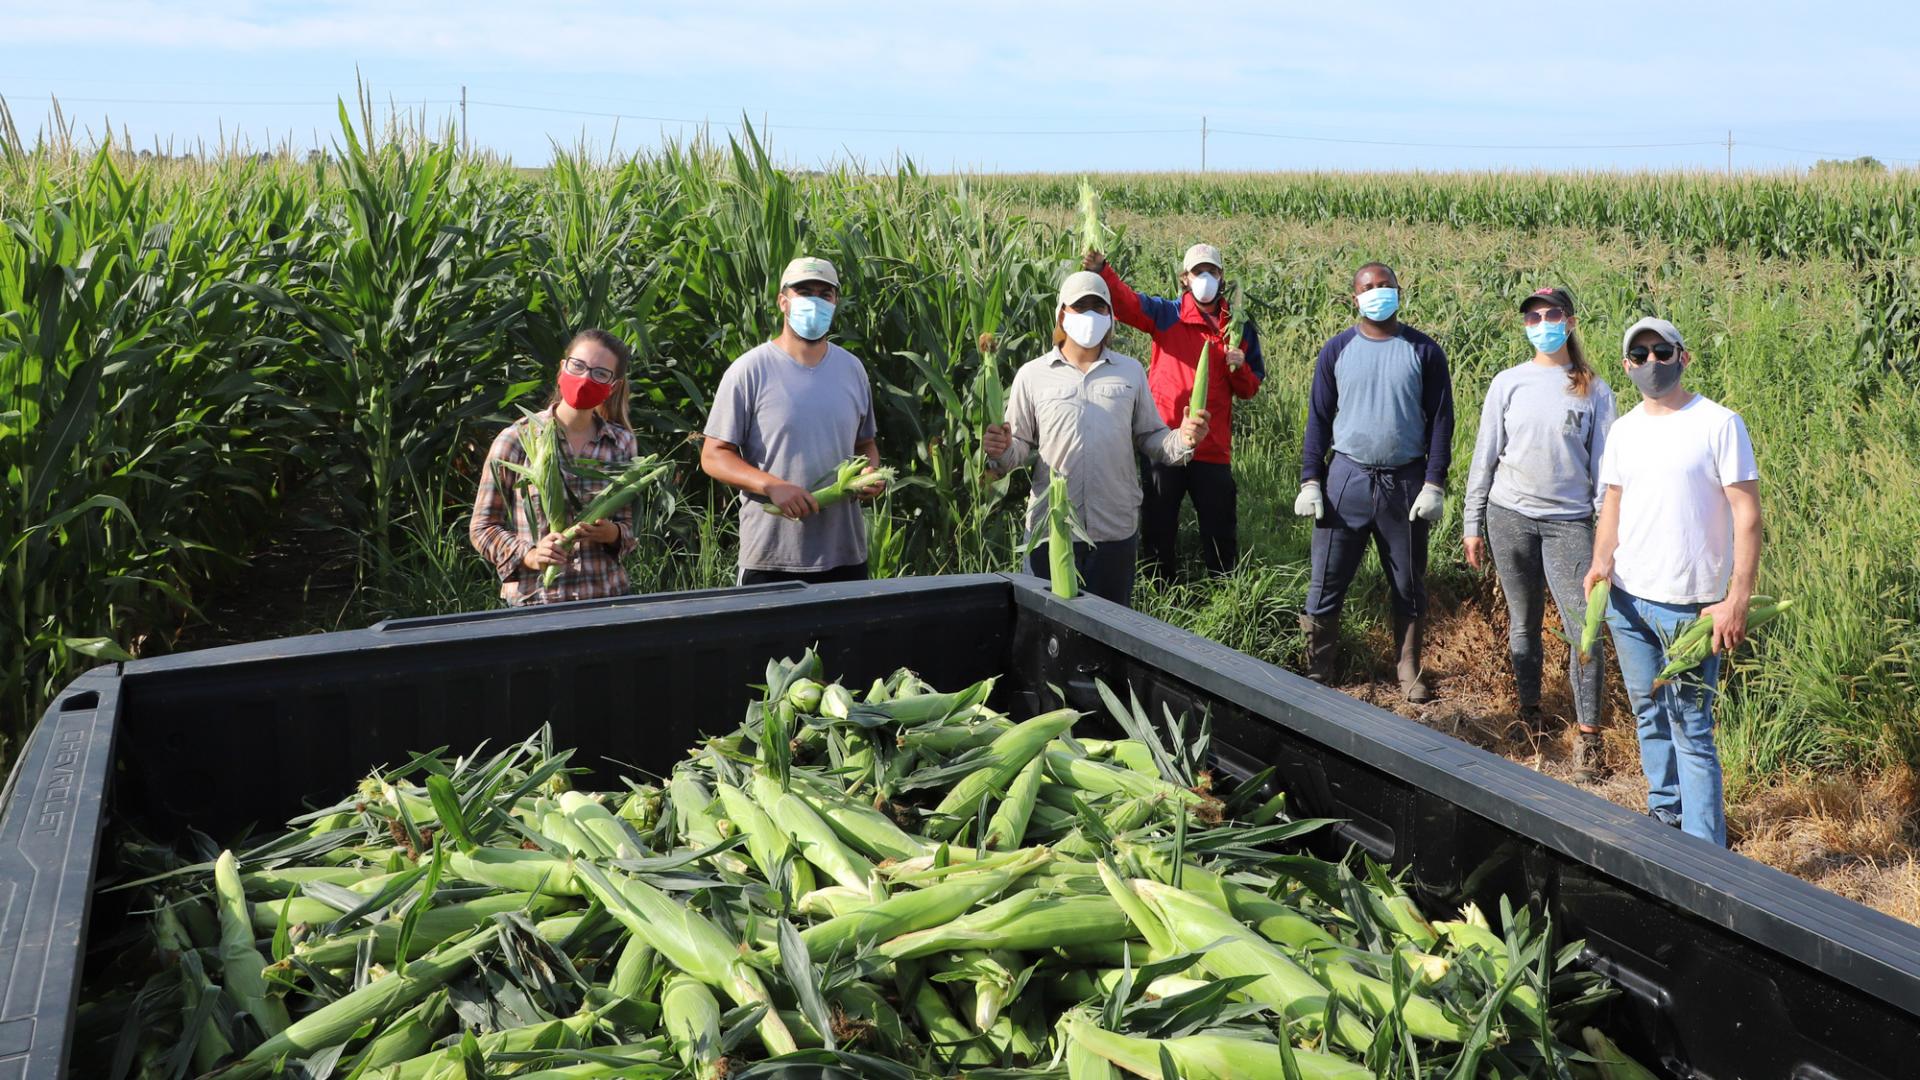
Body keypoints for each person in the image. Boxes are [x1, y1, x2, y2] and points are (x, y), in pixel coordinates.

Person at [1583, 317, 1761, 846]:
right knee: (1648, 713)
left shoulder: (1718, 423)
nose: (1652, 363)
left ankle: (1706, 849)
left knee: (1691, 728)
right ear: (1626, 367)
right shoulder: (1624, 429)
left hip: (1693, 609)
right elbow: (1613, 502)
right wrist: (1600, 562)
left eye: (1662, 351)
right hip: (1629, 602)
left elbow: (1746, 514)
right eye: (1640, 356)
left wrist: (1737, 598)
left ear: (1683, 356)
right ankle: (1666, 821)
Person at [1462, 288, 1617, 781]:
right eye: (1534, 316)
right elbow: (1485, 454)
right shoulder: (1509, 383)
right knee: (1523, 621)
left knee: (1584, 629)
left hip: (1569, 522)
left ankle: (1588, 736)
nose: (1542, 323)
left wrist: (1604, 542)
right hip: (1509, 515)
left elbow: (1605, 473)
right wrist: (1472, 521)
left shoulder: (1593, 390)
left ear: (1570, 322)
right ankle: (1529, 715)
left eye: (1552, 315)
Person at [982, 271, 1207, 606]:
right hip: (1051, 530)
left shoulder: (1130, 372)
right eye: (1080, 307)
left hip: (1114, 531)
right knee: (1047, 635)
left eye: (1098, 307)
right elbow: (1019, 447)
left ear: (1111, 317)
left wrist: (1185, 439)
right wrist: (1000, 452)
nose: (1090, 315)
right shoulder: (1033, 375)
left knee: (1108, 639)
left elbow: (1151, 437)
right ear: (1062, 314)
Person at [1294, 262, 1456, 701]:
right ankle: (1319, 666)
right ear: (1355, 297)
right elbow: (1319, 418)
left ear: (1399, 291)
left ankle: (1408, 669)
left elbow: (1442, 421)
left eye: (1386, 285)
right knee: (1327, 578)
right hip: (1346, 478)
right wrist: (1311, 478)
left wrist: (1434, 483)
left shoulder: (1423, 351)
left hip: (1404, 482)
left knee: (1407, 581)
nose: (1378, 292)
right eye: (1369, 287)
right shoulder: (1338, 350)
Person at [1083, 243, 1264, 579]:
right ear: (1185, 278)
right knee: (1158, 521)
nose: (1205, 277)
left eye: (1212, 271)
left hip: (1212, 446)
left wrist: (1241, 367)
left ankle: (1225, 587)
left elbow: (1249, 390)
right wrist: (1101, 271)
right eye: (1198, 272)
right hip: (1165, 439)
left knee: (1219, 524)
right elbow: (1127, 304)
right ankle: (1159, 586)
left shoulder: (1237, 327)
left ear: (1221, 276)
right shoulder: (1167, 314)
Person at [701, 256, 883, 586]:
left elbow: (865, 444)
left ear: (835, 302)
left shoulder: (852, 369)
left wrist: (870, 475)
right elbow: (714, 455)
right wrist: (773, 487)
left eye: (824, 294)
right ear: (783, 301)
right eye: (804, 291)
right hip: (772, 555)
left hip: (845, 553)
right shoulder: (749, 371)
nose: (815, 300)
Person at [470, 328, 640, 605]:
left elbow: (630, 530)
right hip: (537, 602)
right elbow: (483, 527)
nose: (585, 378)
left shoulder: (622, 444)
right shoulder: (517, 439)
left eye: (599, 373)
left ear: (614, 386)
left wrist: (612, 534)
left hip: (607, 600)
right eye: (578, 366)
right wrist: (531, 555)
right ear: (562, 368)